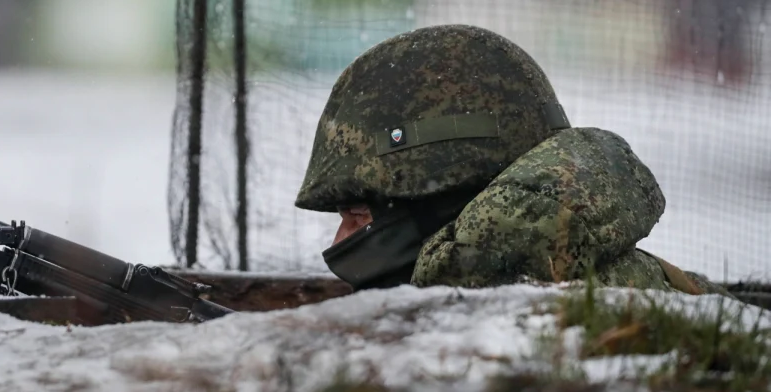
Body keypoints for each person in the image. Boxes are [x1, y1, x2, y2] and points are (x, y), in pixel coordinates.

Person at [294, 24, 728, 295]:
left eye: (356, 216)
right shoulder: (576, 285)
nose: (339, 244)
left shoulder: (541, 318)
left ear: (445, 193)